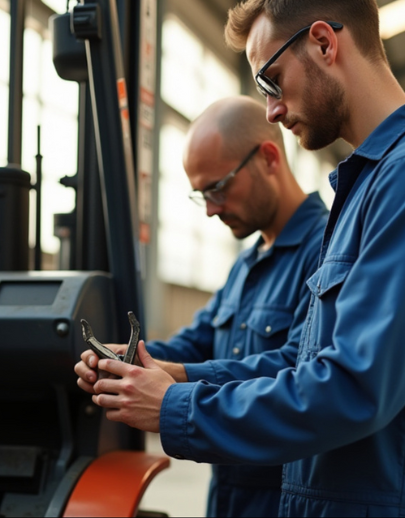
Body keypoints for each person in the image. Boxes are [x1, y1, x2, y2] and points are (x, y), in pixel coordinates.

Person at [79, 0, 405, 515]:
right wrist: (178, 376)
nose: (273, 111)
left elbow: (354, 386)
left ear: (324, 43)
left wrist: (175, 407)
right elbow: (300, 363)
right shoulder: (371, 187)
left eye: (272, 81)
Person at [75, 95, 329, 517]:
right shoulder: (246, 265)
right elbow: (198, 341)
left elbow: (300, 370)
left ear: (269, 157)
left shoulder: (327, 251)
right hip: (228, 497)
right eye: (201, 196)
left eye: (217, 188)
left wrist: (172, 379)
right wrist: (130, 358)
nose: (210, 210)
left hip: (284, 500)